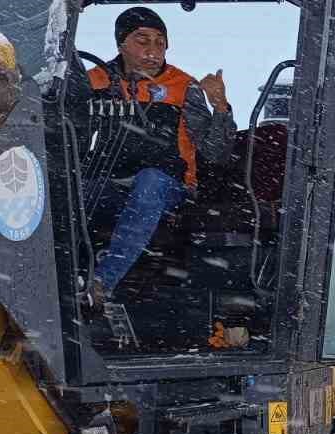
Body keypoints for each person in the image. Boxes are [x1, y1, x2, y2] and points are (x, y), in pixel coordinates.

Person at [78, 6, 236, 303]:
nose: (153, 50)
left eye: (160, 42)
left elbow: (216, 152)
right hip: (109, 184)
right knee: (64, 188)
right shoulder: (93, 81)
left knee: (150, 181)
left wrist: (220, 107)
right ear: (121, 42)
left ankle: (101, 284)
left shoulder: (182, 86)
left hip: (169, 188)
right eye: (143, 40)